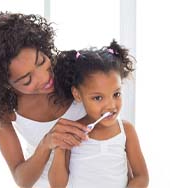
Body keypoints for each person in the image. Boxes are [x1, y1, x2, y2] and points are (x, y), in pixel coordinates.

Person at [0, 12, 90, 188]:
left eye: (41, 61)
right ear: (6, 85)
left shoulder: (73, 71)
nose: (44, 78)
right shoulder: (3, 110)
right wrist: (46, 143)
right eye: (27, 80)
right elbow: (22, 179)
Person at [48, 40, 149, 188]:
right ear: (77, 94)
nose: (111, 105)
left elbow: (142, 177)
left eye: (116, 94)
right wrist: (60, 149)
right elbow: (57, 185)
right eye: (98, 98)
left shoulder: (126, 130)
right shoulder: (72, 132)